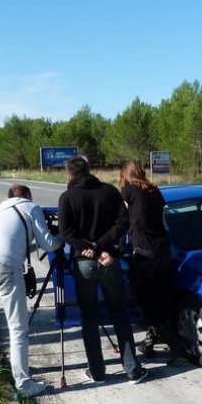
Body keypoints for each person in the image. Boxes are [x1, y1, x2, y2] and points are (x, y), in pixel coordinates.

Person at [57, 157, 148, 384]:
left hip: (84, 263)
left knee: (89, 317)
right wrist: (102, 248)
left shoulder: (67, 198)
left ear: (69, 174)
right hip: (109, 260)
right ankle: (132, 370)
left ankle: (97, 372)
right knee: (119, 313)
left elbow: (66, 233)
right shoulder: (108, 191)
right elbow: (123, 223)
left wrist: (91, 249)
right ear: (89, 170)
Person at [0, 184, 62, 397]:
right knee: (18, 326)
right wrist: (63, 238)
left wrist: (34, 246)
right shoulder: (31, 207)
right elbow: (49, 244)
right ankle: (23, 383)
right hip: (4, 265)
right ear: (29, 196)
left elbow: (15, 242)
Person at [119, 161, 186, 365]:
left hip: (145, 254)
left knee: (143, 302)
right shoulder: (154, 190)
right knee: (159, 300)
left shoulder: (130, 191)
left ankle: (175, 343)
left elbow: (119, 216)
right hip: (163, 251)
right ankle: (151, 340)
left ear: (126, 175)